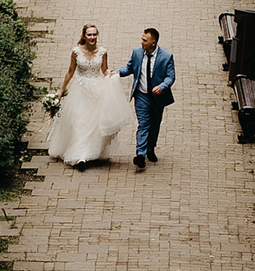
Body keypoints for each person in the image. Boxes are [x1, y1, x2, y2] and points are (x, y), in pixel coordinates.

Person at [49, 22, 133, 168]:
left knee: (93, 124)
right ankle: (79, 157)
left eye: (94, 34)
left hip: (97, 91)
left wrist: (112, 75)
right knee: (79, 122)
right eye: (89, 35)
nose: (92, 37)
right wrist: (61, 90)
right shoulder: (76, 52)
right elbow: (70, 72)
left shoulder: (102, 52)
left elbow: (104, 70)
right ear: (84, 36)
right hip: (80, 91)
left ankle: (89, 153)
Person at [118, 26, 176, 170]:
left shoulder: (166, 56)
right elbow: (129, 68)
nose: (141, 42)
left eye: (145, 40)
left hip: (157, 98)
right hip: (141, 95)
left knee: (155, 124)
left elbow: (170, 76)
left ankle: (151, 148)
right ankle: (140, 155)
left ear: (153, 42)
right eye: (142, 39)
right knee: (143, 124)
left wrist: (162, 86)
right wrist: (116, 73)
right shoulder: (137, 53)